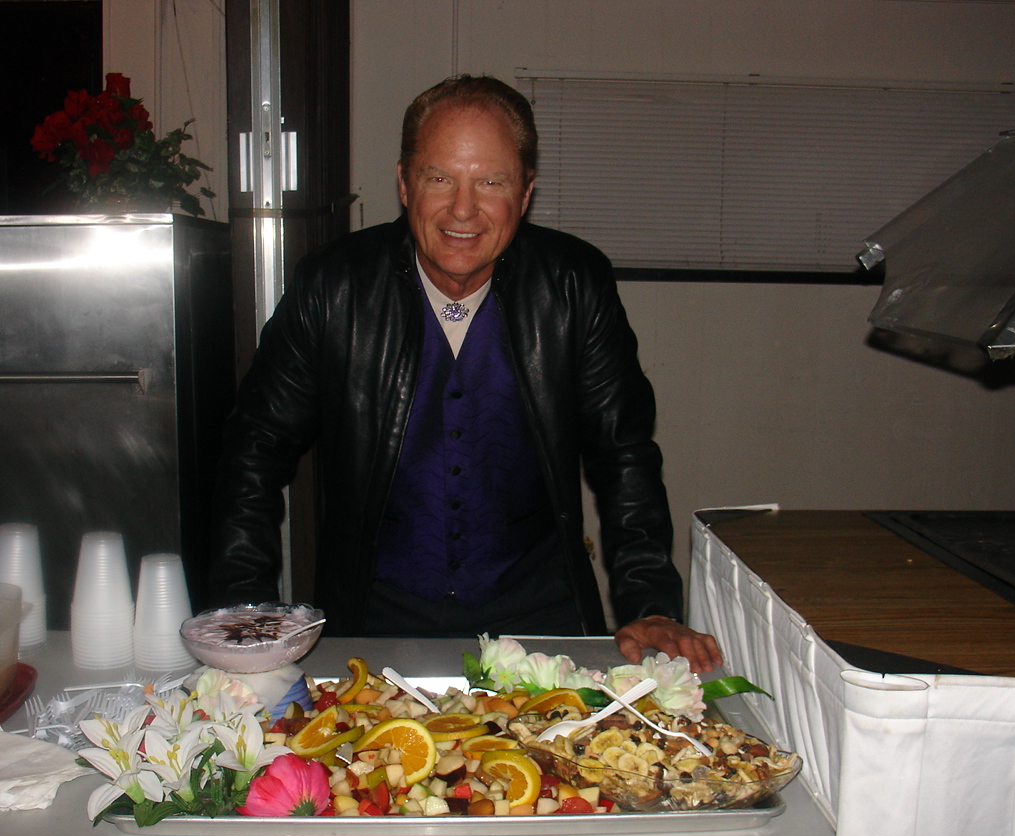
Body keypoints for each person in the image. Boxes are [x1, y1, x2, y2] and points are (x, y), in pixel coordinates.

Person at [209, 74, 721, 674]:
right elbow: (254, 452)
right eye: (439, 178)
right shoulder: (333, 287)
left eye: (491, 182)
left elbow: (624, 455)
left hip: (540, 614)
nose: (462, 209)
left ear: (525, 194)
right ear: (405, 184)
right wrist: (242, 615)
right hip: (374, 619)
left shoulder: (574, 284)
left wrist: (651, 603)